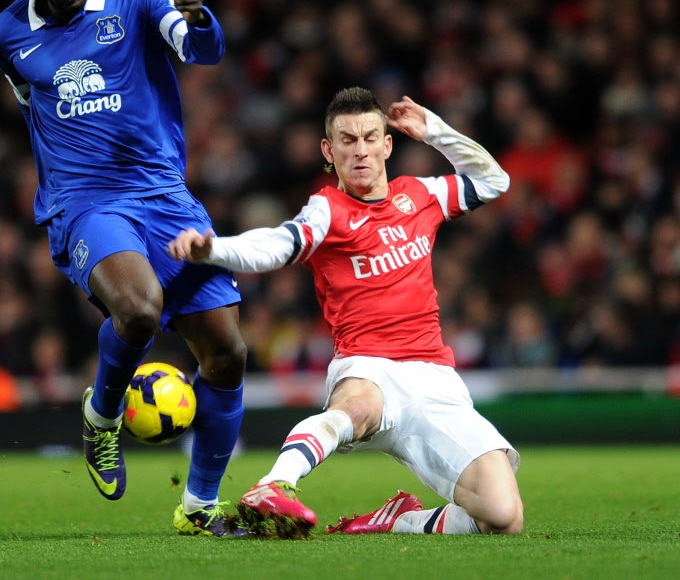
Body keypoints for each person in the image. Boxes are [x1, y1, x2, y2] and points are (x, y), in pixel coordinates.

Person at [0, 0, 247, 537]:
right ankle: (102, 418)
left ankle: (200, 508)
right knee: (138, 309)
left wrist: (201, 20)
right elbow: (31, 107)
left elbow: (200, 49)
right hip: (85, 203)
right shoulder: (6, 34)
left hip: (164, 196)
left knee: (228, 354)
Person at [168, 87, 523, 538]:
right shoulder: (327, 211)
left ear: (387, 145)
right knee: (356, 406)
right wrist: (215, 250)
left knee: (503, 516)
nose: (360, 150)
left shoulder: (420, 195)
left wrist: (434, 131)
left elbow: (494, 181)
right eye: (348, 140)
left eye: (370, 138)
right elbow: (277, 244)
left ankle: (397, 520)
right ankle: (274, 485)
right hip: (367, 366)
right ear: (328, 150)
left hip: (435, 377)